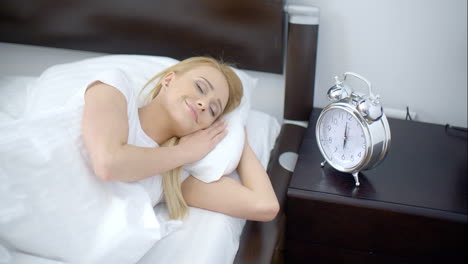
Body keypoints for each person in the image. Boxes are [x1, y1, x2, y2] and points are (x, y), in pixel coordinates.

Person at [82, 57, 279, 221]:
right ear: (168, 80)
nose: (203, 104)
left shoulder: (173, 178)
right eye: (200, 87)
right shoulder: (115, 87)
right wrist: (184, 152)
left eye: (213, 110)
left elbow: (265, 206)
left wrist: (237, 130)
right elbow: (108, 164)